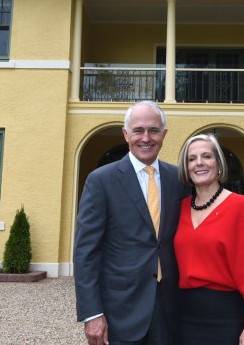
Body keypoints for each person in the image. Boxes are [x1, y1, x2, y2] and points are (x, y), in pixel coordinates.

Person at [74, 101, 189, 345]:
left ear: (164, 134)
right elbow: (86, 252)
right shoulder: (101, 181)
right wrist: (92, 313)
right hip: (120, 310)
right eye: (138, 130)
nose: (145, 138)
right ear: (126, 134)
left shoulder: (178, 180)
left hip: (170, 308)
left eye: (153, 130)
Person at [174, 134, 244, 345]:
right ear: (186, 167)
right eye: (192, 158)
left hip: (225, 317)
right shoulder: (180, 208)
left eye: (206, 156)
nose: (199, 163)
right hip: (182, 317)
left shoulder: (239, 206)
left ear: (218, 163)